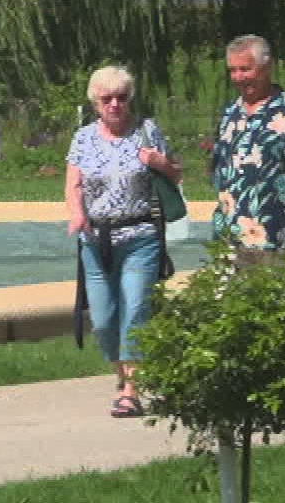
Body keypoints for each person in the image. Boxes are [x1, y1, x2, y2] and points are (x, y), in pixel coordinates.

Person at [65, 65, 179, 418]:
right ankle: (122, 374)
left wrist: (160, 162)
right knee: (102, 318)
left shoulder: (147, 132)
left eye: (121, 97)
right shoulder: (83, 137)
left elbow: (175, 176)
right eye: (107, 98)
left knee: (135, 309)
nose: (115, 104)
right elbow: (73, 185)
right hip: (95, 238)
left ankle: (131, 389)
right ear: (95, 102)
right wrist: (77, 213)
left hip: (140, 235)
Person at [211, 35, 285, 255]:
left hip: (278, 230)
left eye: (245, 69)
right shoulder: (229, 114)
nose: (238, 77)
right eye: (232, 70)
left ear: (267, 67)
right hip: (230, 233)